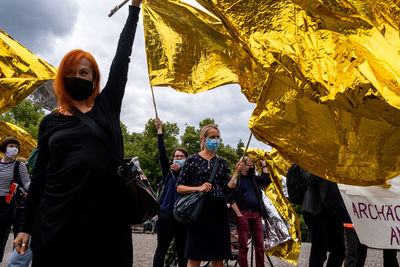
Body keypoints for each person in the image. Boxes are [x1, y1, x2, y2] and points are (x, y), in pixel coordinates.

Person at [13, 1, 143, 266]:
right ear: (62, 78)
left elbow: (122, 58)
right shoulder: (50, 122)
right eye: (70, 73)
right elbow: (40, 178)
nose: (77, 77)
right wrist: (26, 226)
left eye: (84, 72)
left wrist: (134, 9)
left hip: (106, 222)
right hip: (57, 221)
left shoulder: (108, 106)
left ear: (95, 79)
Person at [177, 124, 237, 267]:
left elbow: (228, 189)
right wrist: (199, 188)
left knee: (218, 257)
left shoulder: (222, 163)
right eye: (212, 137)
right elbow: (179, 187)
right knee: (194, 256)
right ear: (203, 139)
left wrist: (236, 173)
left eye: (217, 137)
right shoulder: (191, 160)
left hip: (219, 212)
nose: (216, 140)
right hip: (198, 212)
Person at [293, 165, 345, 267]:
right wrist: (324, 161)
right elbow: (310, 178)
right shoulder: (310, 156)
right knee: (319, 251)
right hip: (316, 210)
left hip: (334, 209)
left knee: (340, 250)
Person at [153, 118, 188, 267]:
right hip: (166, 214)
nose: (178, 158)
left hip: (182, 216)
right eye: (176, 156)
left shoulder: (190, 173)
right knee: (161, 249)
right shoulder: (167, 171)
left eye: (181, 157)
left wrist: (181, 171)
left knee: (182, 250)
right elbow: (162, 153)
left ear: (187, 159)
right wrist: (159, 131)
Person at [228, 156, 271, 267]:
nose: (252, 167)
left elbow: (266, 180)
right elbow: (229, 191)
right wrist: (239, 215)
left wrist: (264, 166)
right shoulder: (237, 179)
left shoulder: (254, 179)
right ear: (242, 165)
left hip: (256, 215)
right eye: (249, 165)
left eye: (252, 165)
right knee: (243, 246)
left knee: (260, 247)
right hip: (243, 214)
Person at [0, 137, 30, 263]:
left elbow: (27, 184)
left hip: (9, 203)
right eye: (11, 145)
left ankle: (13, 260)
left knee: (6, 233)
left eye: (16, 147)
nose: (14, 149)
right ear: (4, 147)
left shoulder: (20, 166)